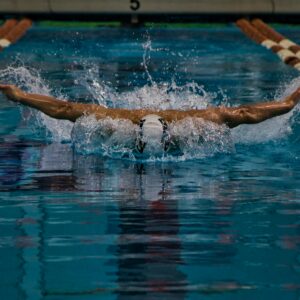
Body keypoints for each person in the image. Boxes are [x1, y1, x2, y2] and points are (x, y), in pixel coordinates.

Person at [0, 84, 299, 153]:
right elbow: (65, 110)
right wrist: (19, 95)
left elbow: (246, 113)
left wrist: (291, 101)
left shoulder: (199, 120)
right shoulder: (118, 120)